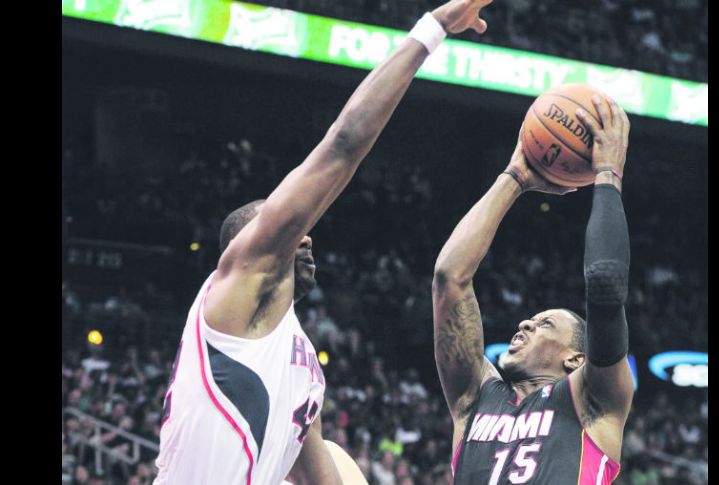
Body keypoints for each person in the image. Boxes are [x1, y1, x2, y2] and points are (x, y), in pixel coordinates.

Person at [153, 1, 495, 484]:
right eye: (289, 233)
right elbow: (344, 143)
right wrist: (433, 28)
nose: (306, 236)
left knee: (341, 460)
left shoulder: (303, 365)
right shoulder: (234, 289)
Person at [432, 95, 633, 484]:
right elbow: (449, 277)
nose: (524, 323)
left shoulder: (592, 401)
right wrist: (515, 177)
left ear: (576, 358)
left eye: (545, 324)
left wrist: (608, 174)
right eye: (533, 320)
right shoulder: (473, 398)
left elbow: (605, 285)